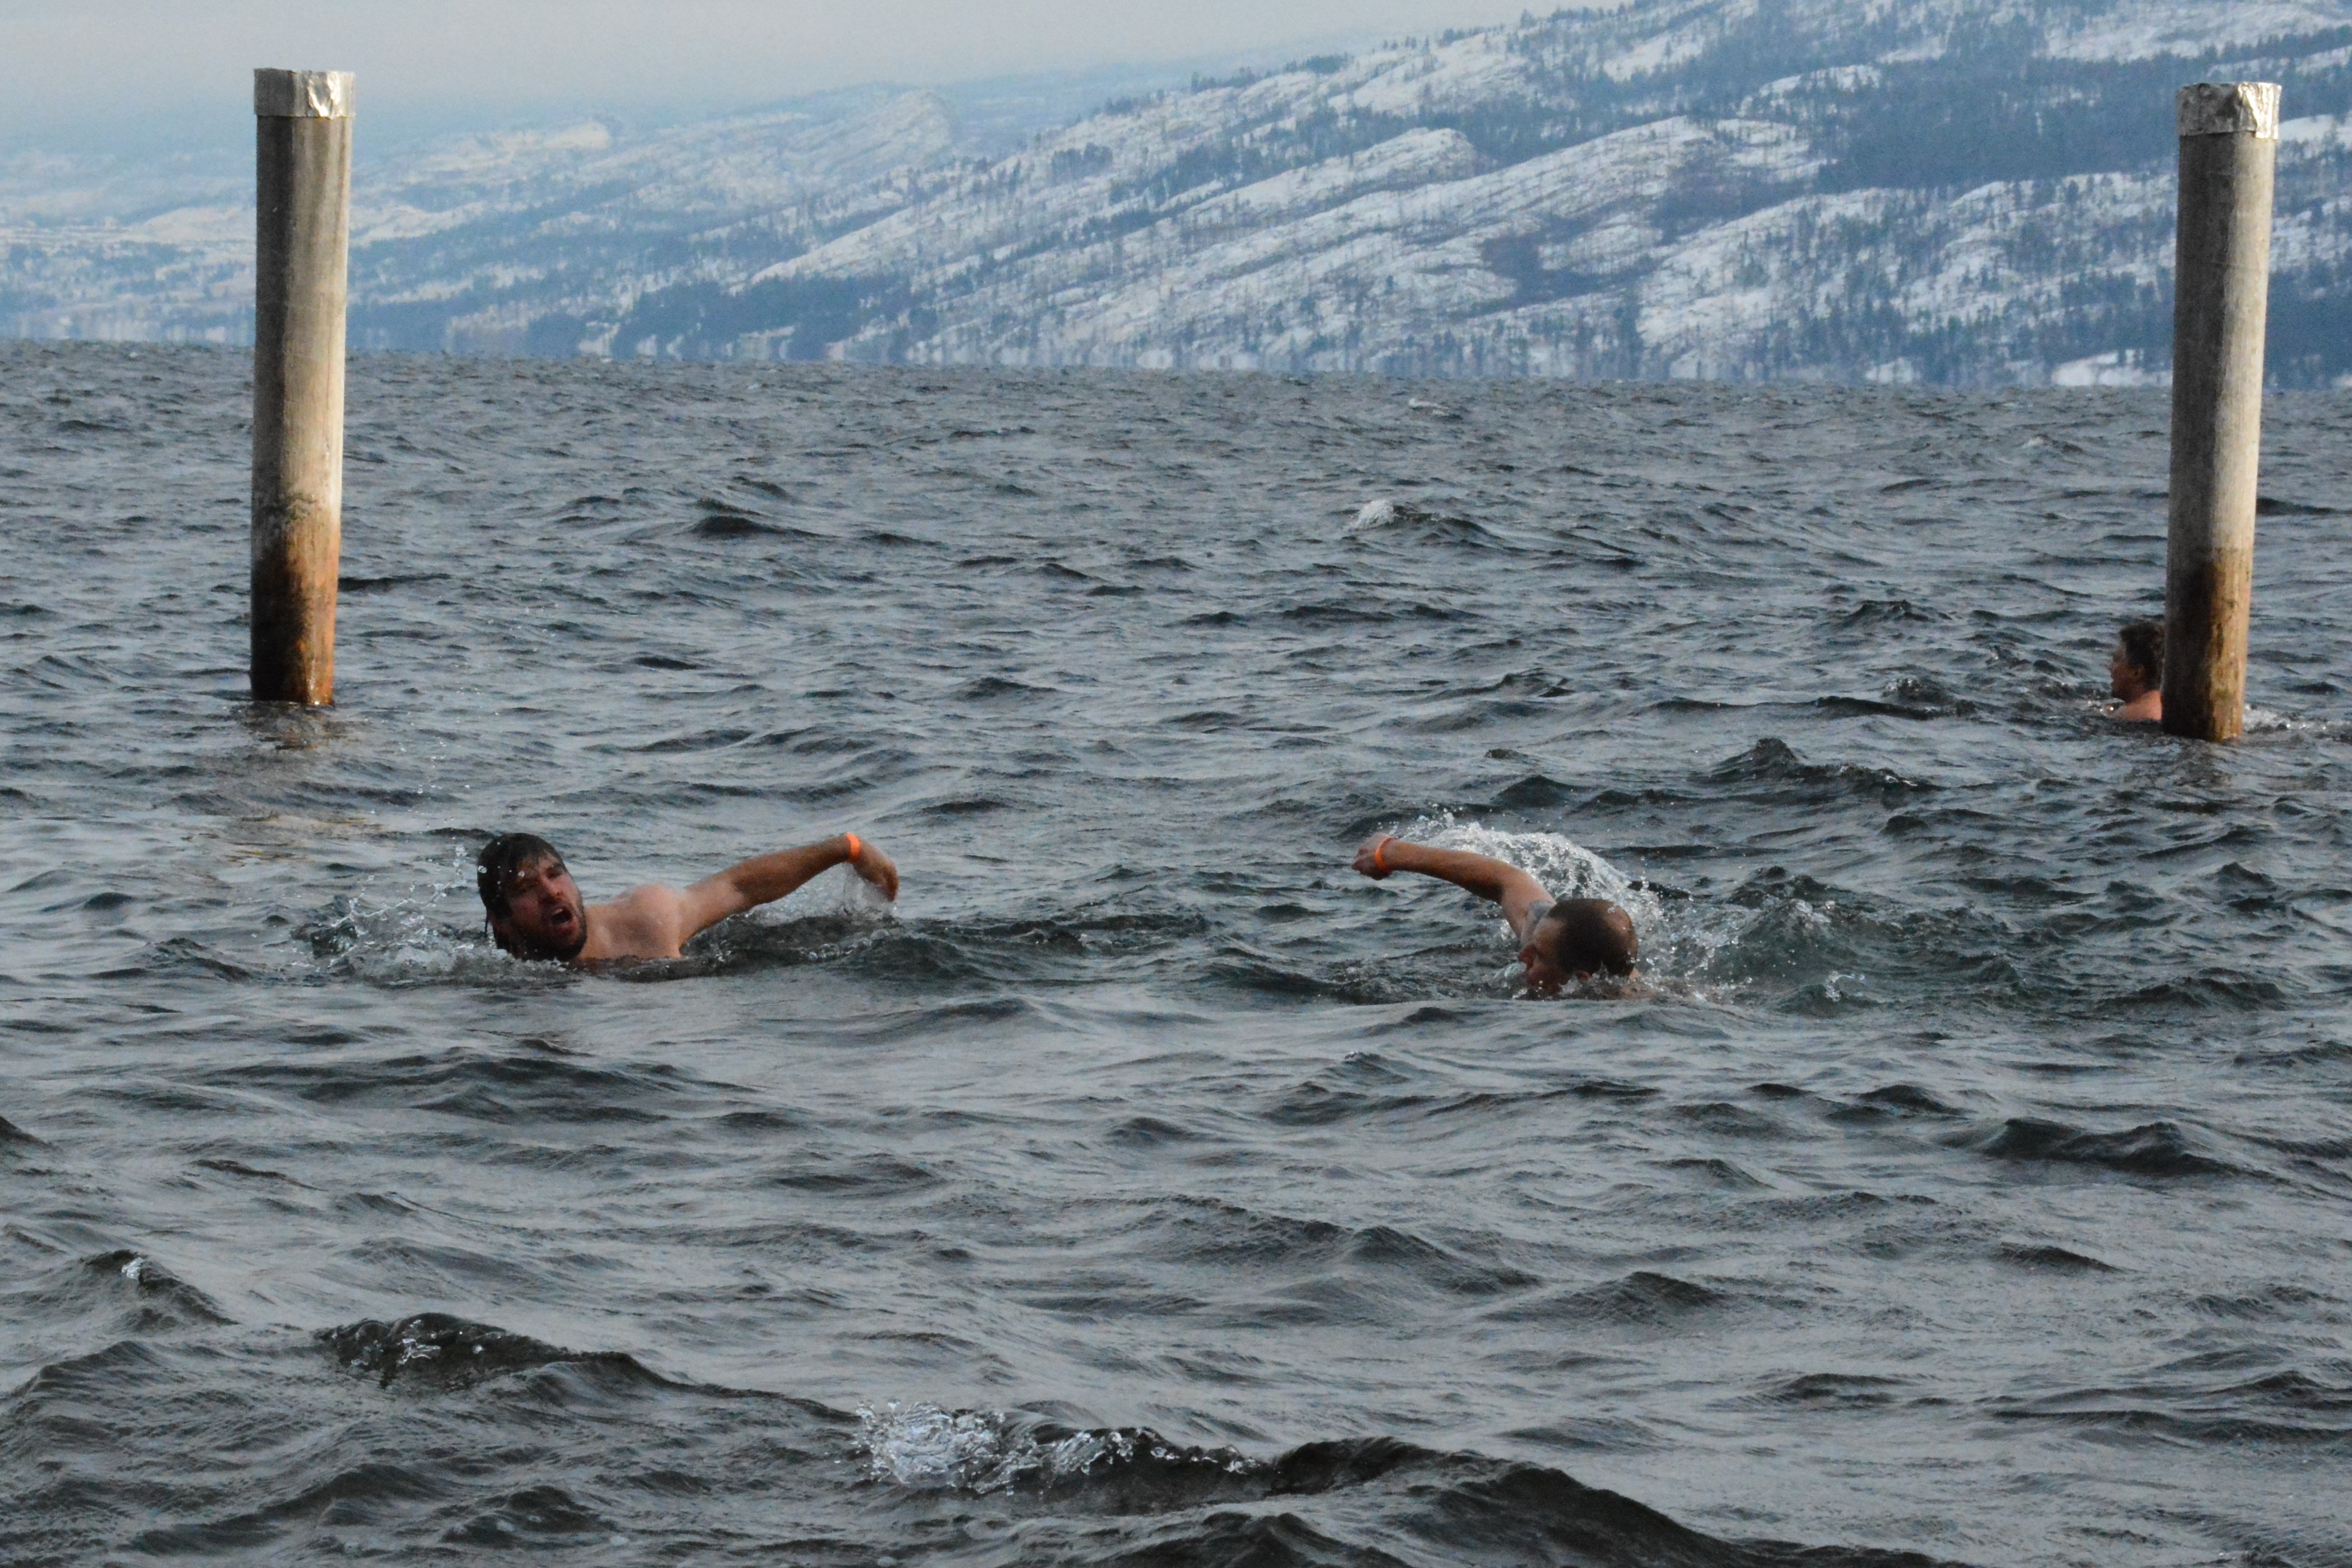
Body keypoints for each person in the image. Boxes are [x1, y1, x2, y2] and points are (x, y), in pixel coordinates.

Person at [475, 830, 898, 963]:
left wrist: (849, 848)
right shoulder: (495, 985)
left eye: (556, 875)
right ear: (501, 919)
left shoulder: (643, 921)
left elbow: (738, 887)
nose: (551, 892)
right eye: (527, 889)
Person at [1352, 834, 1639, 996]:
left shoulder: (1639, 1015)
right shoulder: (1551, 932)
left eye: (1538, 956)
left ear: (1582, 981)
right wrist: (1388, 854)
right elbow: (1508, 879)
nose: (1522, 956)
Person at [2110, 618, 2164, 722]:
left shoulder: (2129, 715)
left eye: (2116, 660)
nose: (2110, 667)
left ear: (2137, 673)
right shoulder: (2165, 709)